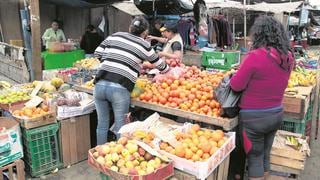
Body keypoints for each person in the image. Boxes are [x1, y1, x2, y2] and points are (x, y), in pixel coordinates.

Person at [230, 16, 294, 180]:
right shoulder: (288, 57)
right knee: (265, 156)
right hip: (276, 114)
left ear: (258, 34)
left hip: (254, 119)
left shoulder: (255, 56)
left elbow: (236, 85)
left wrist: (235, 74)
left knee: (255, 159)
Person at [93, 16, 169, 145]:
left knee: (102, 125)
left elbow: (97, 53)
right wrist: (168, 69)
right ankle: (119, 159)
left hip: (99, 84)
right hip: (119, 88)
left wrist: (111, 63)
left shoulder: (115, 35)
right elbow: (160, 65)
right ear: (145, 32)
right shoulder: (144, 44)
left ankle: (100, 156)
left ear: (130, 27)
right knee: (121, 127)